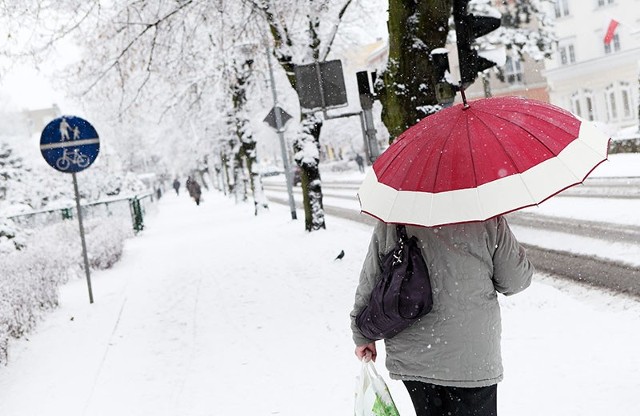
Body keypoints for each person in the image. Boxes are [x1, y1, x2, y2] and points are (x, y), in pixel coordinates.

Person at [351, 217, 533, 416]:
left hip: (416, 353)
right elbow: (515, 281)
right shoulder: (486, 215)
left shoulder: (395, 215)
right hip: (472, 354)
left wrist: (363, 336)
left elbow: (371, 277)